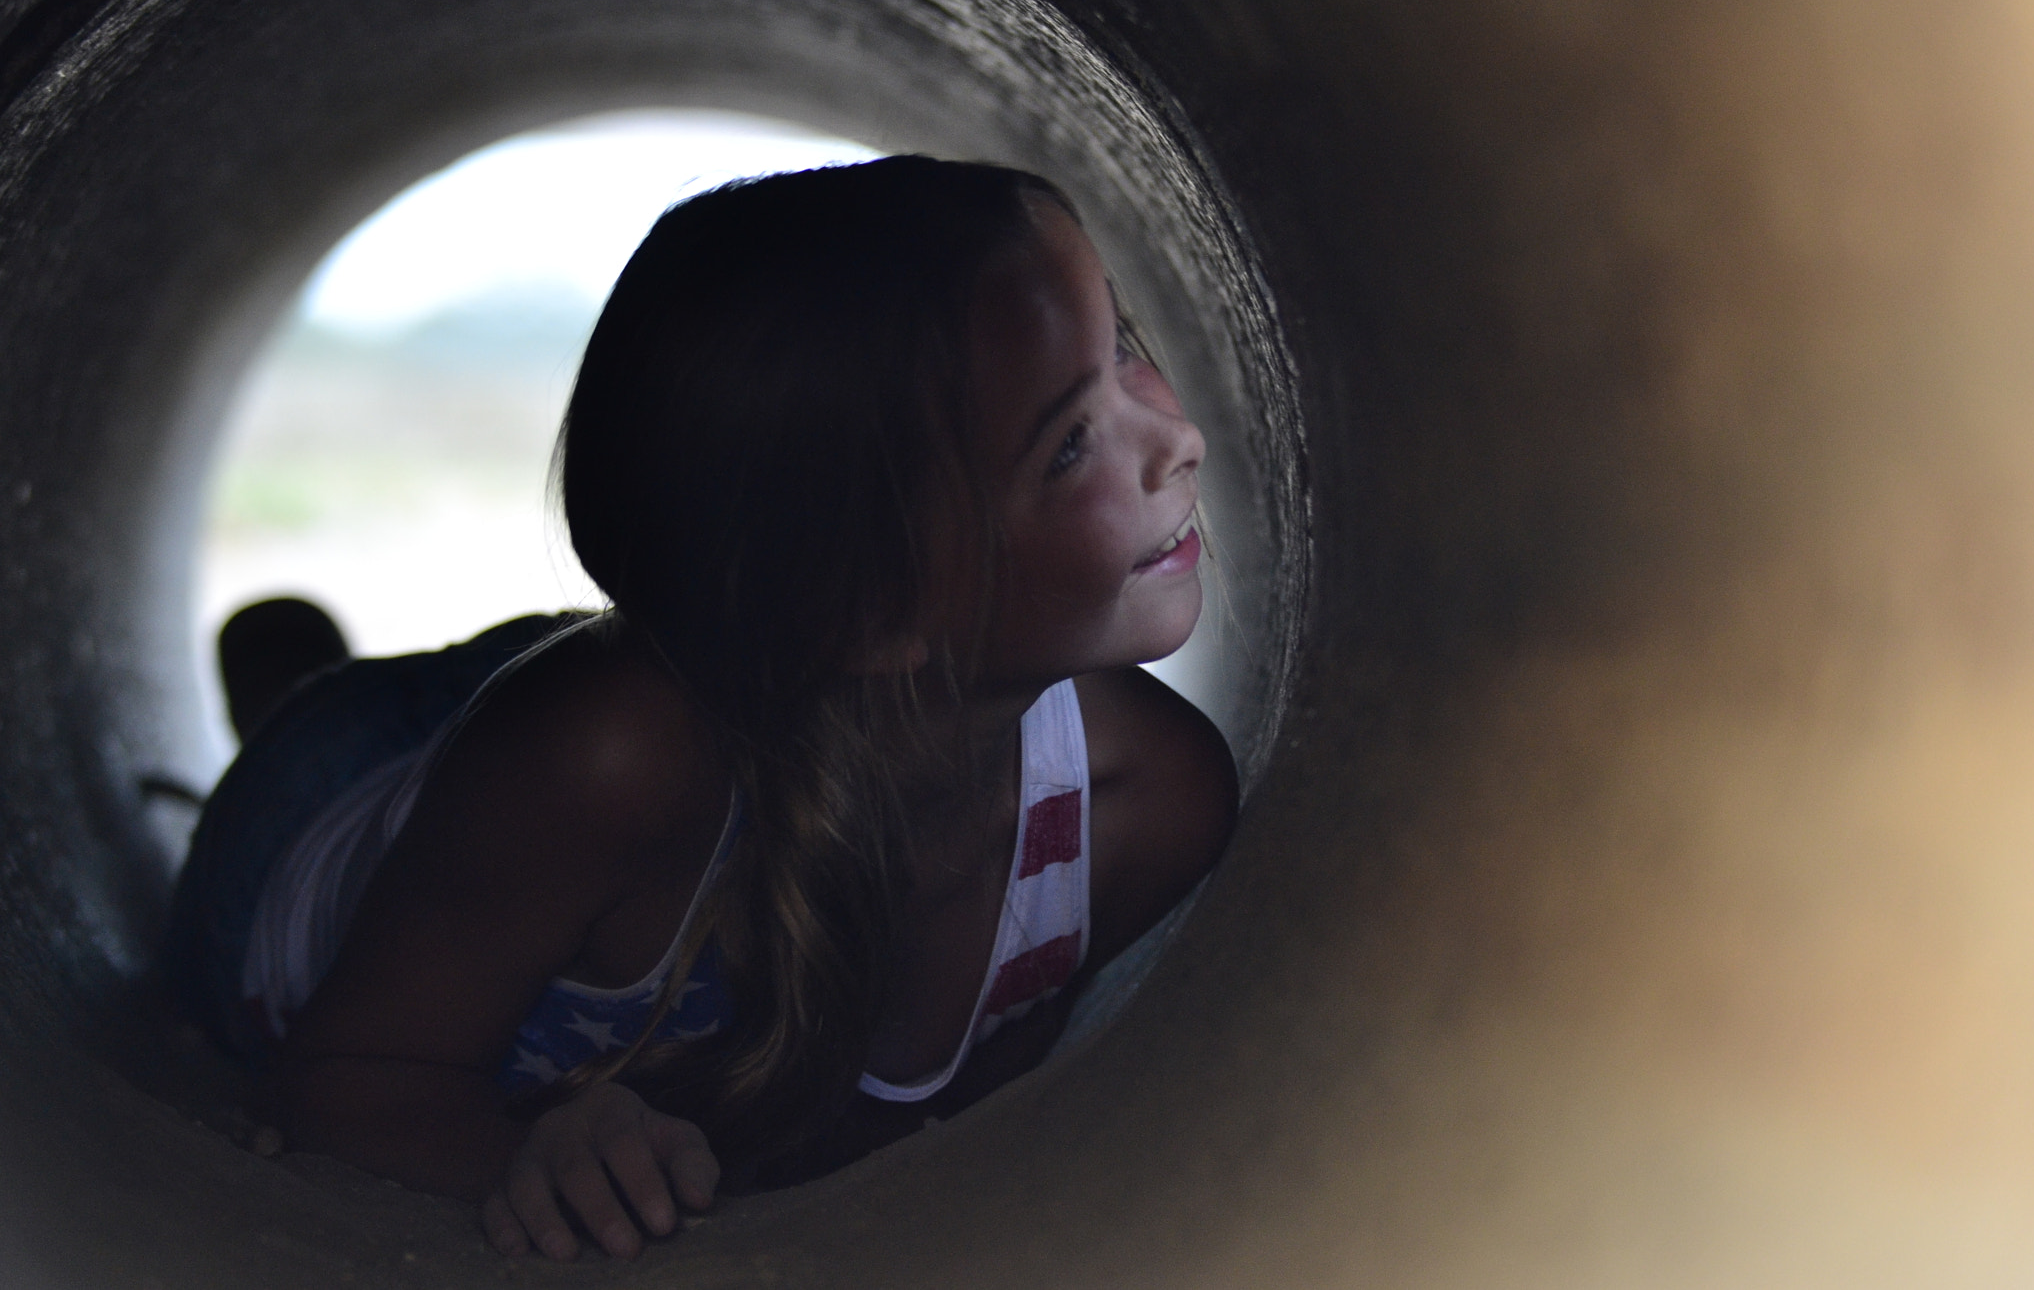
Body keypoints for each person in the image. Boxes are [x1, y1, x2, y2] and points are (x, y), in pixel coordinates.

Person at [167, 155, 1237, 1262]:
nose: (1178, 439)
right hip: (326, 827)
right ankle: (288, 689)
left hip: (690, 702)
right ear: (871, 613)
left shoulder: (1148, 805)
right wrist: (520, 1152)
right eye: (1070, 443)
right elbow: (342, 1081)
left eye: (1123, 347)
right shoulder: (604, 763)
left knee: (597, 688)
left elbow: (930, 1144)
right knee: (512, 720)